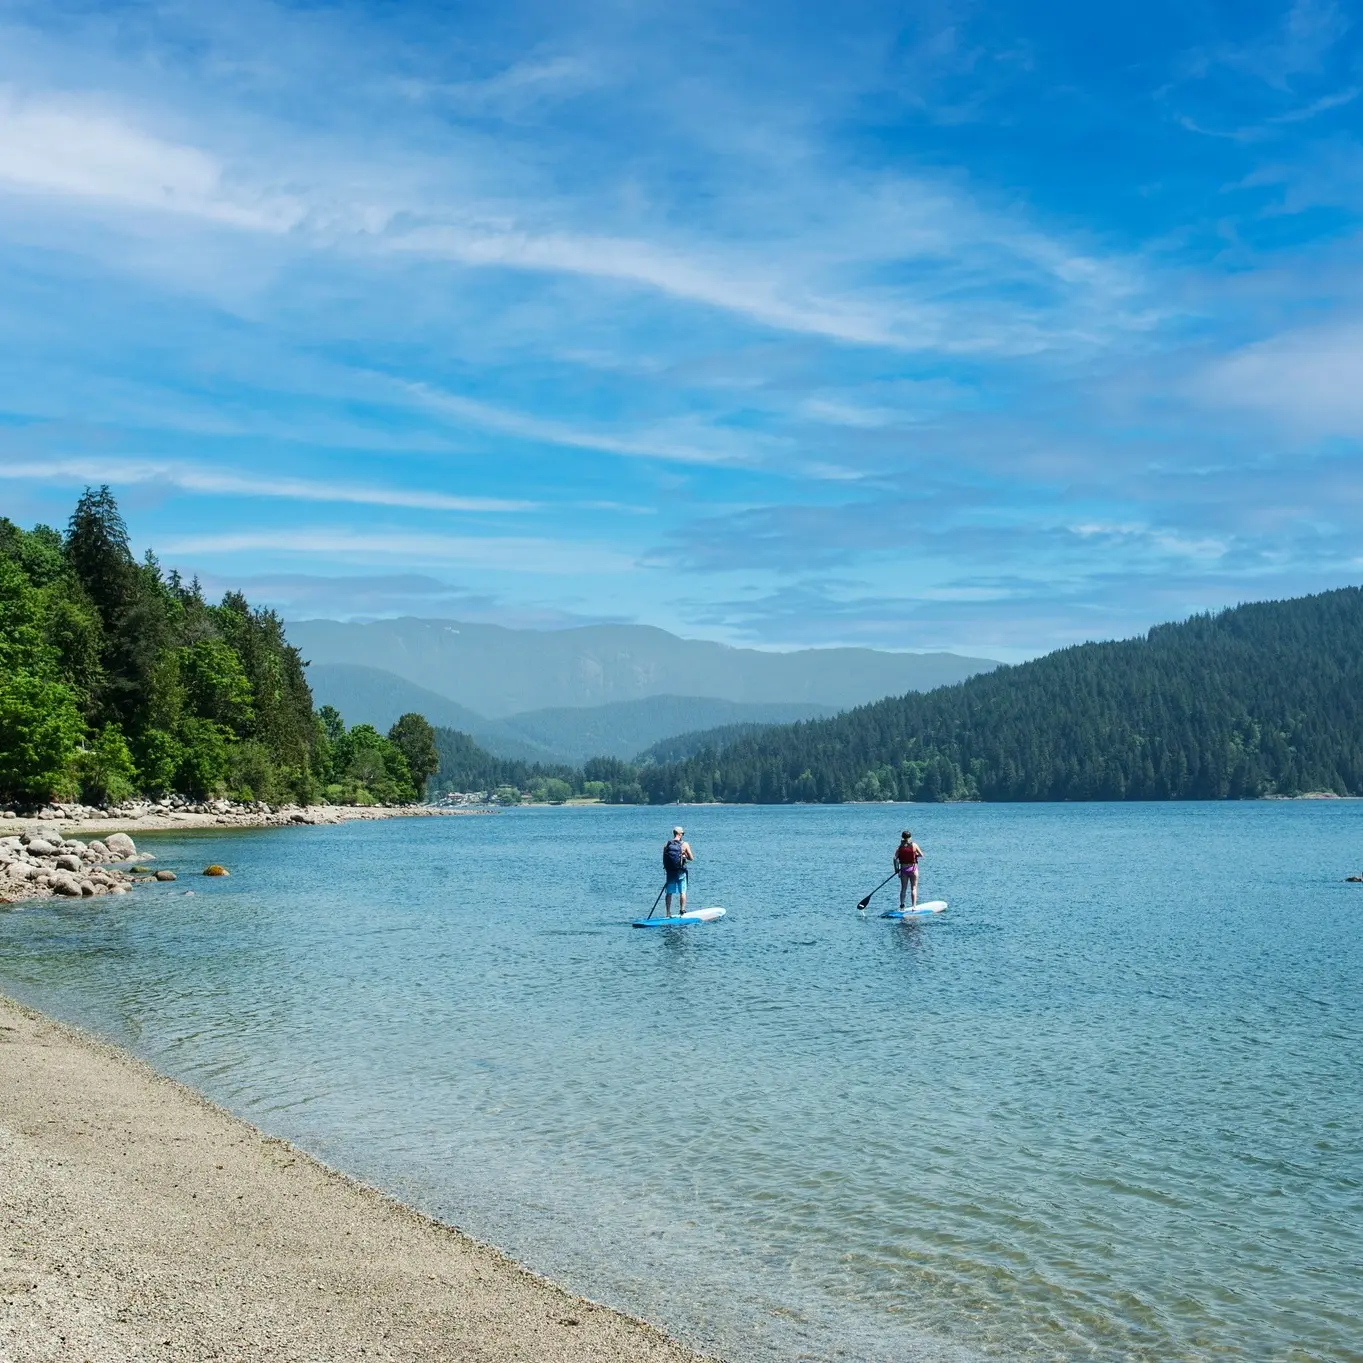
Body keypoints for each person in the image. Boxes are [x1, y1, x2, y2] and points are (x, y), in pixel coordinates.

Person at [662, 826, 694, 917]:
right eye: (682, 833)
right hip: (681, 871)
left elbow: (664, 859)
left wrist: (666, 868)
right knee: (682, 892)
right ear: (680, 834)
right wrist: (684, 856)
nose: (683, 835)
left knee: (669, 893)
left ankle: (668, 913)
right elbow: (691, 858)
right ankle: (682, 911)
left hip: (670, 871)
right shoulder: (685, 844)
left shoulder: (667, 844)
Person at [894, 830, 923, 909]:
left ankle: (902, 905)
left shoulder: (899, 847)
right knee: (913, 888)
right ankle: (914, 906)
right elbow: (921, 855)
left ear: (902, 837)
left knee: (903, 888)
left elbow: (894, 859)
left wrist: (896, 869)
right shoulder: (914, 845)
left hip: (903, 870)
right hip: (913, 869)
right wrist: (915, 855)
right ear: (910, 837)